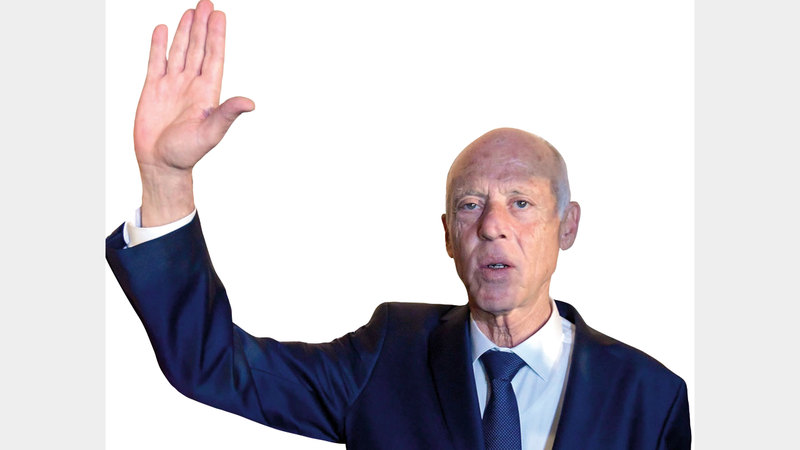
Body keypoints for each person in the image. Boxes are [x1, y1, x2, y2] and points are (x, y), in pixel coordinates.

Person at [106, 1, 691, 448]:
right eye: (471, 205)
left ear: (568, 226)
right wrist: (165, 179)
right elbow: (213, 365)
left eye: (520, 203)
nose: (492, 226)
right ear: (447, 235)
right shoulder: (388, 355)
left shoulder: (651, 397)